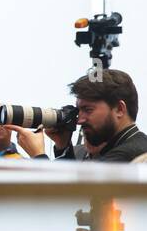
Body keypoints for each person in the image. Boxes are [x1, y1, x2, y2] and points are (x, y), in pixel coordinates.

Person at [12, 69, 147, 163]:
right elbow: (74, 188)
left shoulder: (130, 154)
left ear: (119, 109)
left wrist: (38, 157)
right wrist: (63, 146)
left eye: (88, 110)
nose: (79, 120)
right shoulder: (121, 146)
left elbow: (74, 200)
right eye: (78, 110)